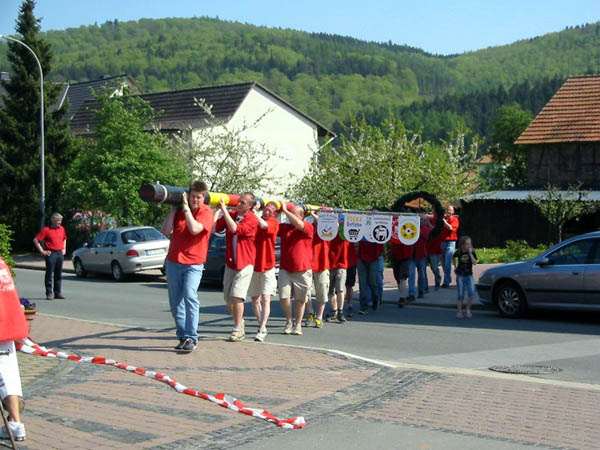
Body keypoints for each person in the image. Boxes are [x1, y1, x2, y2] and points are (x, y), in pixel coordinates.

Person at [162, 181, 214, 353]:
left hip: (193, 263)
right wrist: (173, 210)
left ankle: (192, 337)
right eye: (192, 196)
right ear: (188, 195)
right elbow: (166, 230)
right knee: (176, 302)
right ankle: (182, 336)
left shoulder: (206, 212)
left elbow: (194, 229)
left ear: (203, 197)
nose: (195, 200)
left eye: (199, 197)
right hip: (173, 261)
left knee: (190, 296)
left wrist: (185, 209)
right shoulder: (179, 211)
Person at [215, 192, 258, 342]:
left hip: (245, 263)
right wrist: (219, 212)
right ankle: (240, 323)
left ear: (250, 206)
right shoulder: (232, 214)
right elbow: (217, 228)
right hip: (231, 263)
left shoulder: (252, 219)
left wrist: (225, 211)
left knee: (237, 296)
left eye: (243, 203)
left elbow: (235, 229)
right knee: (228, 299)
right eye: (239, 201)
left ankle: (237, 328)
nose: (239, 204)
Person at [0, 257, 29, 442]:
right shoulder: (1, 262)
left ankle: (16, 424)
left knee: (5, 378)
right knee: (9, 377)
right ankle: (16, 424)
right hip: (9, 325)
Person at [278, 203, 314, 336]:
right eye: (290, 212)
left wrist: (286, 211)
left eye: (294, 213)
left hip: (302, 269)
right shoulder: (285, 227)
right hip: (285, 268)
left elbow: (299, 225)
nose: (290, 215)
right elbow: (270, 226)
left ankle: (298, 324)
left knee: (300, 299)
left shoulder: (308, 227)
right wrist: (275, 212)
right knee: (284, 296)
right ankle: (288, 321)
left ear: (301, 216)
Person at [248, 202, 279, 342]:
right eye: (265, 210)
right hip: (254, 265)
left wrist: (254, 214)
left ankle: (262, 328)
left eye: (270, 211)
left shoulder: (273, 222)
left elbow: (265, 226)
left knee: (266, 298)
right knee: (255, 299)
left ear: (274, 214)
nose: (267, 212)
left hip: (268, 266)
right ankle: (261, 324)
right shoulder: (256, 220)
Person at [33, 212, 67, 300]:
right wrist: (42, 251)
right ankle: (49, 293)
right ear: (53, 220)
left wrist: (64, 249)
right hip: (51, 253)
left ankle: (57, 292)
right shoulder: (46, 229)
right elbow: (36, 240)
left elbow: (64, 239)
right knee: (49, 274)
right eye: (58, 221)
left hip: (60, 253)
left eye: (60, 221)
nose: (60, 222)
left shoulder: (62, 229)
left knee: (58, 274)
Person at [306, 212, 330, 329]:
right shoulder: (309, 226)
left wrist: (318, 217)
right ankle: (310, 312)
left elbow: (329, 227)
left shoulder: (328, 226)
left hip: (322, 264)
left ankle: (319, 317)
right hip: (308, 264)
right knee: (305, 292)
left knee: (322, 292)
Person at [328, 234, 354, 322]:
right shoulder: (328, 227)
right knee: (330, 290)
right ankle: (334, 311)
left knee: (340, 289)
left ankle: (340, 311)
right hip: (328, 264)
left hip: (341, 265)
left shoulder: (345, 230)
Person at [453, 236, 478, 319]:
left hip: (469, 275)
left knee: (471, 293)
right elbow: (454, 257)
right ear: (462, 244)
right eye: (467, 244)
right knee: (460, 294)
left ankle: (468, 310)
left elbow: (475, 263)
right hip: (460, 275)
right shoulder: (459, 252)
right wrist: (455, 267)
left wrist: (470, 253)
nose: (469, 245)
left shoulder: (472, 252)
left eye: (470, 244)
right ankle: (459, 311)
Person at [357, 241, 384, 314]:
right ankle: (363, 306)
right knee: (362, 284)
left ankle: (375, 299)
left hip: (374, 257)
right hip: (361, 257)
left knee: (373, 282)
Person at [407, 218, 430, 303]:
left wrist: (417, 229)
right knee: (411, 275)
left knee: (422, 275)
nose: (419, 221)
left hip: (421, 255)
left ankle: (421, 291)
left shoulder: (425, 228)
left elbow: (426, 237)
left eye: (421, 220)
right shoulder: (410, 227)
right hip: (412, 255)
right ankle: (411, 293)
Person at [389, 236, 411, 307]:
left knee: (403, 277)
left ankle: (402, 297)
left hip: (405, 254)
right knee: (397, 277)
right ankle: (402, 294)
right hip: (395, 253)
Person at [440, 205, 460, 288]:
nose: (448, 212)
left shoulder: (455, 219)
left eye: (450, 210)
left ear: (453, 212)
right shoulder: (443, 219)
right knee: (443, 264)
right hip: (442, 242)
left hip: (451, 243)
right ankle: (448, 278)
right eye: (447, 210)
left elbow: (450, 228)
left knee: (448, 263)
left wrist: (444, 221)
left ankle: (446, 282)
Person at [426, 213, 444, 292]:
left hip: (435, 249)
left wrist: (428, 222)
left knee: (434, 267)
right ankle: (424, 287)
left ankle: (437, 281)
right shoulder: (426, 220)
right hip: (425, 249)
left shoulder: (439, 222)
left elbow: (435, 230)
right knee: (423, 269)